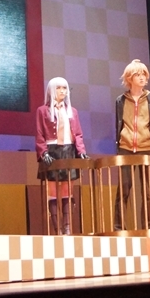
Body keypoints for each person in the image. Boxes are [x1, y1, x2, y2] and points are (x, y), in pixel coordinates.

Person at [35, 77, 90, 235]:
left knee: (67, 190)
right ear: (51, 90)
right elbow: (39, 134)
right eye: (59, 88)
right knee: (52, 191)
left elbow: (78, 134)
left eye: (64, 88)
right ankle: (56, 228)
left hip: (68, 150)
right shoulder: (42, 110)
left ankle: (67, 227)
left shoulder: (72, 111)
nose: (62, 91)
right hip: (51, 151)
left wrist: (81, 151)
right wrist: (43, 152)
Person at [113, 59, 150, 232]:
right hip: (126, 148)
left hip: (147, 148)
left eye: (144, 74)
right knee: (123, 190)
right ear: (129, 78)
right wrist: (119, 147)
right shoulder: (120, 100)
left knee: (147, 192)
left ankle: (148, 228)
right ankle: (119, 228)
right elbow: (118, 125)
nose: (142, 78)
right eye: (138, 74)